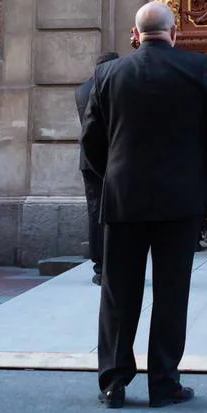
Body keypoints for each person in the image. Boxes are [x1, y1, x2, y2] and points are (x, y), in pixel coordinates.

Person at [82, 1, 207, 409]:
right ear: (175, 32)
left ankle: (114, 382)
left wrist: (113, 178)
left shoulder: (108, 74)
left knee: (118, 291)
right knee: (171, 291)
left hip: (124, 198)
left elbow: (91, 143)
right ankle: (164, 383)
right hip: (181, 201)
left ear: (135, 35)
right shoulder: (197, 68)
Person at [76, 52, 120, 285]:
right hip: (112, 158)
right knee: (116, 212)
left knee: (95, 213)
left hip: (88, 159)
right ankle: (111, 265)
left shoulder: (81, 89)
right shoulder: (112, 86)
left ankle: (99, 266)